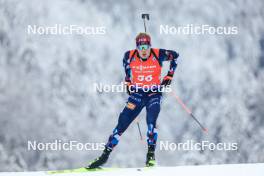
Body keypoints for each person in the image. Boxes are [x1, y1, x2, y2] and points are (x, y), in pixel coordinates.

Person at [87, 33, 179, 168]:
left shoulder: (158, 54)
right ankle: (104, 156)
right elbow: (127, 73)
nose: (144, 51)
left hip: (154, 93)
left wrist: (169, 75)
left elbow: (176, 56)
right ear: (136, 47)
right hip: (137, 95)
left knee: (151, 122)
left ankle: (150, 156)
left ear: (150, 46)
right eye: (141, 47)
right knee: (121, 124)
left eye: (146, 47)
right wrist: (128, 83)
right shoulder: (128, 56)